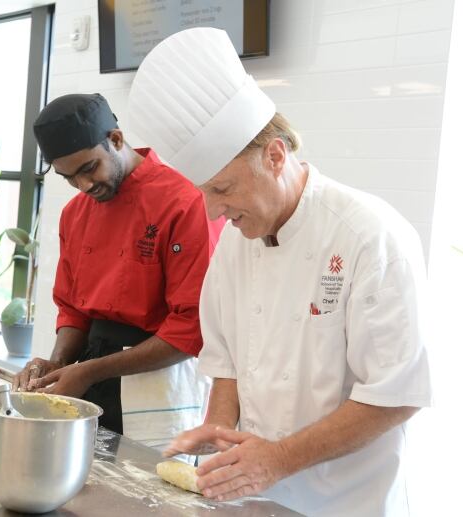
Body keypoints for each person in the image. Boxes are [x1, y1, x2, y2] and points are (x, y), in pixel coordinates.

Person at [127, 28, 432, 516]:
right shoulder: (235, 242)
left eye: (223, 189)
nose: (212, 212)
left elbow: (397, 395)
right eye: (205, 192)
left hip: (347, 503)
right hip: (255, 498)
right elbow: (225, 361)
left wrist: (278, 459)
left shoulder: (369, 238)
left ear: (274, 156)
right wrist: (224, 440)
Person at [12, 93, 223, 450]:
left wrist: (89, 370)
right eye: (69, 178)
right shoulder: (75, 214)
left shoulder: (184, 202)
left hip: (158, 380)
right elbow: (73, 308)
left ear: (116, 140)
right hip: (88, 375)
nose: (83, 186)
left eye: (89, 168)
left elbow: (191, 328)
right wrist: (58, 362)